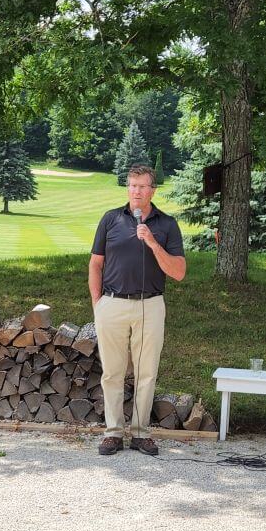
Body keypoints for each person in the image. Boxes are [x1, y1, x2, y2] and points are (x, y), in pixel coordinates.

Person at [89, 165, 186, 456]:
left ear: (152, 191)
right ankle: (113, 433)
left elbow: (179, 272)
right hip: (112, 304)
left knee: (146, 373)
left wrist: (153, 242)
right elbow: (95, 263)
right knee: (112, 373)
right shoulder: (110, 219)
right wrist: (99, 305)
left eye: (142, 186)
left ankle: (142, 434)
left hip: (150, 305)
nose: (136, 192)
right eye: (131, 186)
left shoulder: (167, 224)